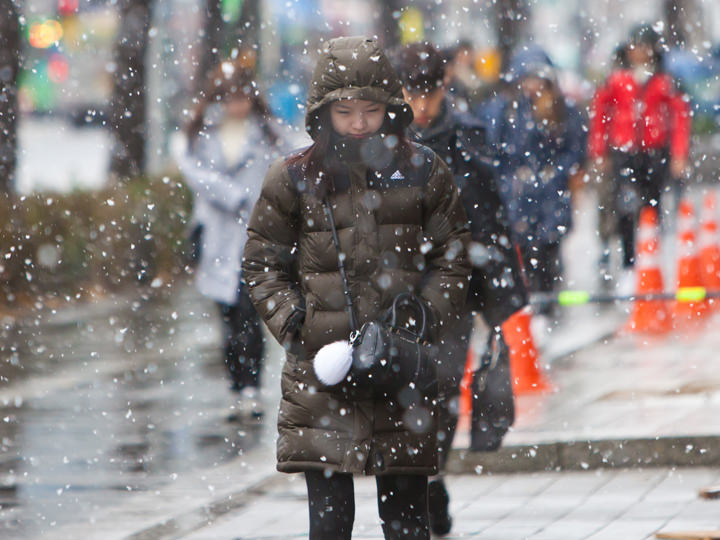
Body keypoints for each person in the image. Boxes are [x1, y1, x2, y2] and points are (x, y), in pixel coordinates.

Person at [241, 36, 470, 540]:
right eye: (346, 111)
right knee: (328, 526)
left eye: (371, 109)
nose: (361, 122)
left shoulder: (424, 171)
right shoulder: (293, 178)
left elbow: (454, 253)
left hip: (400, 368)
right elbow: (262, 261)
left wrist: (424, 316)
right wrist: (295, 323)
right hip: (321, 373)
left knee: (408, 523)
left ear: (391, 108)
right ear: (325, 112)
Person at [392, 42, 528, 536]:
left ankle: (432, 475)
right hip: (398, 286)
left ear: (445, 86)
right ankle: (419, 479)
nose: (422, 106)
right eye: (413, 94)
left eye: (429, 94)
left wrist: (499, 292)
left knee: (447, 387)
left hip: (455, 286)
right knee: (407, 389)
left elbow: (490, 214)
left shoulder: (467, 136)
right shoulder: (382, 139)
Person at [175, 56, 285, 418]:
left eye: (243, 97)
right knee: (227, 316)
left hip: (256, 233)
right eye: (230, 97)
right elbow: (194, 172)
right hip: (218, 234)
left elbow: (285, 168)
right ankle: (236, 385)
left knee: (250, 312)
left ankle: (251, 386)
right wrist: (229, 194)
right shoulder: (202, 132)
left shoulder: (267, 130)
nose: (237, 105)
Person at [479, 45, 586, 311]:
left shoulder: (563, 109)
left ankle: (545, 305)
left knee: (549, 248)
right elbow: (497, 150)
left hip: (551, 193)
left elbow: (575, 149)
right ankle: (530, 305)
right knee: (523, 251)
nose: (531, 84)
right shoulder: (508, 110)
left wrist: (555, 171)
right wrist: (513, 175)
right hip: (520, 195)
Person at [589, 24, 690, 289]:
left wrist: (679, 153)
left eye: (644, 46)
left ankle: (650, 258)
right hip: (624, 151)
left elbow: (679, 116)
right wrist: (599, 150)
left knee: (652, 205)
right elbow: (601, 114)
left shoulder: (664, 81)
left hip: (654, 152)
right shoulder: (616, 79)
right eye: (635, 46)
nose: (639, 52)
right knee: (624, 207)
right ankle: (628, 264)